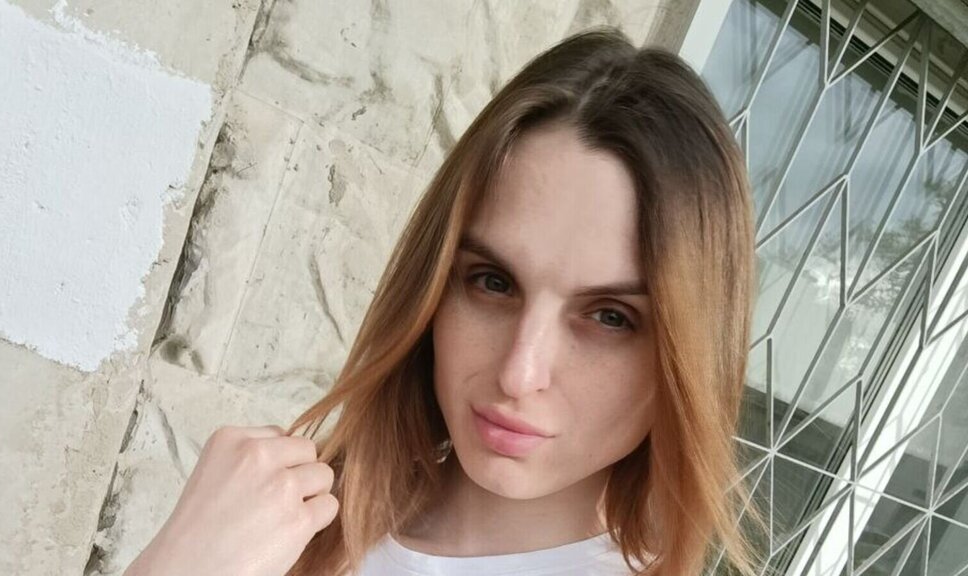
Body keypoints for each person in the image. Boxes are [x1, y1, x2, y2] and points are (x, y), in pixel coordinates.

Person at [125, 27, 758, 576]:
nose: (519, 373)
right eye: (493, 282)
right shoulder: (276, 522)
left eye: (611, 318)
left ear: (688, 358)